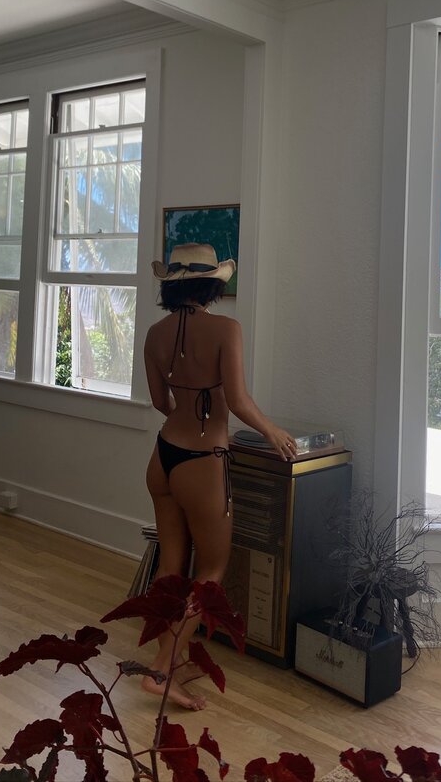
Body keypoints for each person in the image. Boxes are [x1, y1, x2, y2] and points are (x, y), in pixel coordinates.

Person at [141, 242, 297, 709]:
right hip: (203, 461)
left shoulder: (154, 333)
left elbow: (161, 403)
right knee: (210, 571)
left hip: (163, 456)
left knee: (171, 567)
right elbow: (240, 400)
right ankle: (160, 670)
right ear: (212, 285)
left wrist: (186, 408)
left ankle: (170, 657)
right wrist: (272, 431)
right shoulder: (227, 329)